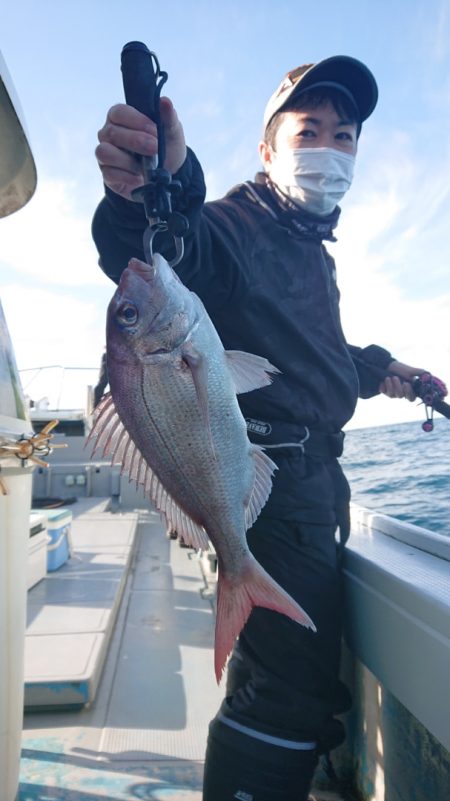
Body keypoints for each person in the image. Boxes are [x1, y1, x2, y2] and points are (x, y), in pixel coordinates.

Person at [92, 56, 426, 801]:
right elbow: (175, 243)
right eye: (309, 130)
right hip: (270, 491)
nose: (330, 148)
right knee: (287, 694)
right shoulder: (242, 224)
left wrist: (382, 369)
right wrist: (157, 187)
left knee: (288, 679)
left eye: (345, 135)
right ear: (268, 149)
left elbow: (317, 357)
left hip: (307, 489)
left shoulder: (307, 243)